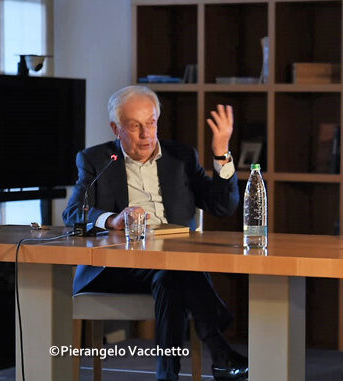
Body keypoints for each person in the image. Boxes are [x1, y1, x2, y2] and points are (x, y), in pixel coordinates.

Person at [63, 86, 246, 381]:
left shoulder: (181, 158)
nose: (146, 134)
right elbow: (72, 213)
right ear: (116, 128)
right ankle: (219, 348)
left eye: (151, 123)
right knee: (175, 271)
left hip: (170, 266)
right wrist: (113, 219)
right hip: (116, 268)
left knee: (169, 275)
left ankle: (167, 375)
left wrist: (221, 153)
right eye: (135, 127)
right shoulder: (96, 160)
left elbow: (223, 206)